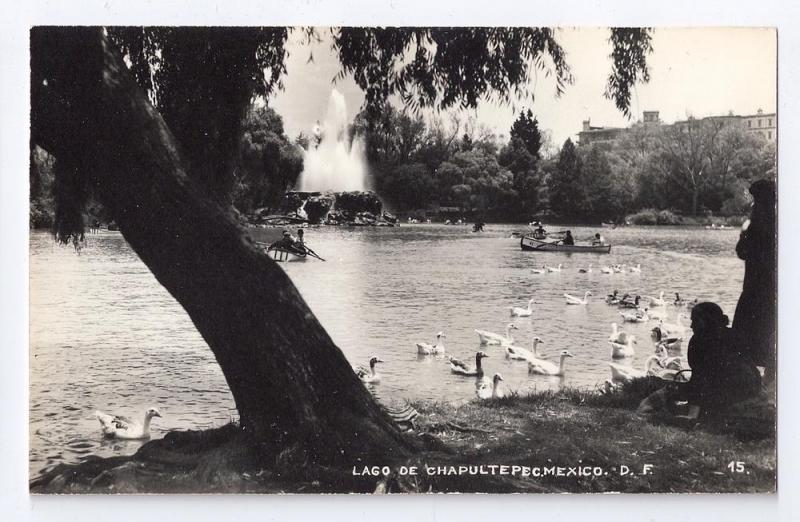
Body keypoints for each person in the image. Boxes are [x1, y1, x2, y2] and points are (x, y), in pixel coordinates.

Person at [639, 302, 761, 419]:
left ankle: (648, 408)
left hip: (724, 390)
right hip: (752, 387)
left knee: (668, 391)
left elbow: (700, 376)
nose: (691, 325)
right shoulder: (733, 334)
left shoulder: (700, 340)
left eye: (695, 321)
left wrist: (692, 413)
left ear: (707, 321)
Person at [733, 179, 776, 382]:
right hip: (771, 290)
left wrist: (743, 233)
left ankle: (752, 384)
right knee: (770, 336)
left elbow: (742, 252)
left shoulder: (757, 224)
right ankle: (769, 383)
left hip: (755, 289)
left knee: (747, 336)